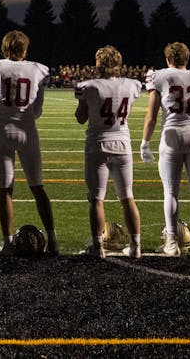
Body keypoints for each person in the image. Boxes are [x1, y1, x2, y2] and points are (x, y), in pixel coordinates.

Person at [0, 30, 56, 254]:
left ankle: (7, 242)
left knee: (5, 189)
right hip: (26, 131)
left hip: (1, 131)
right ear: (24, 49)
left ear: (5, 48)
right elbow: (38, 110)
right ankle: (52, 240)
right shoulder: (38, 69)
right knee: (37, 187)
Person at [139, 41, 190, 256]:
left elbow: (152, 115)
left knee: (171, 192)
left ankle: (172, 243)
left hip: (171, 134)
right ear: (187, 59)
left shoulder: (159, 76)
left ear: (167, 59)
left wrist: (145, 142)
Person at [74, 45, 144, 258]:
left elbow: (80, 117)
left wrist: (86, 104)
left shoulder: (90, 86)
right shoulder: (132, 84)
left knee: (96, 199)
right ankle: (136, 246)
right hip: (122, 144)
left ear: (98, 64)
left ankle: (97, 247)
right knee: (127, 197)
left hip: (98, 144)